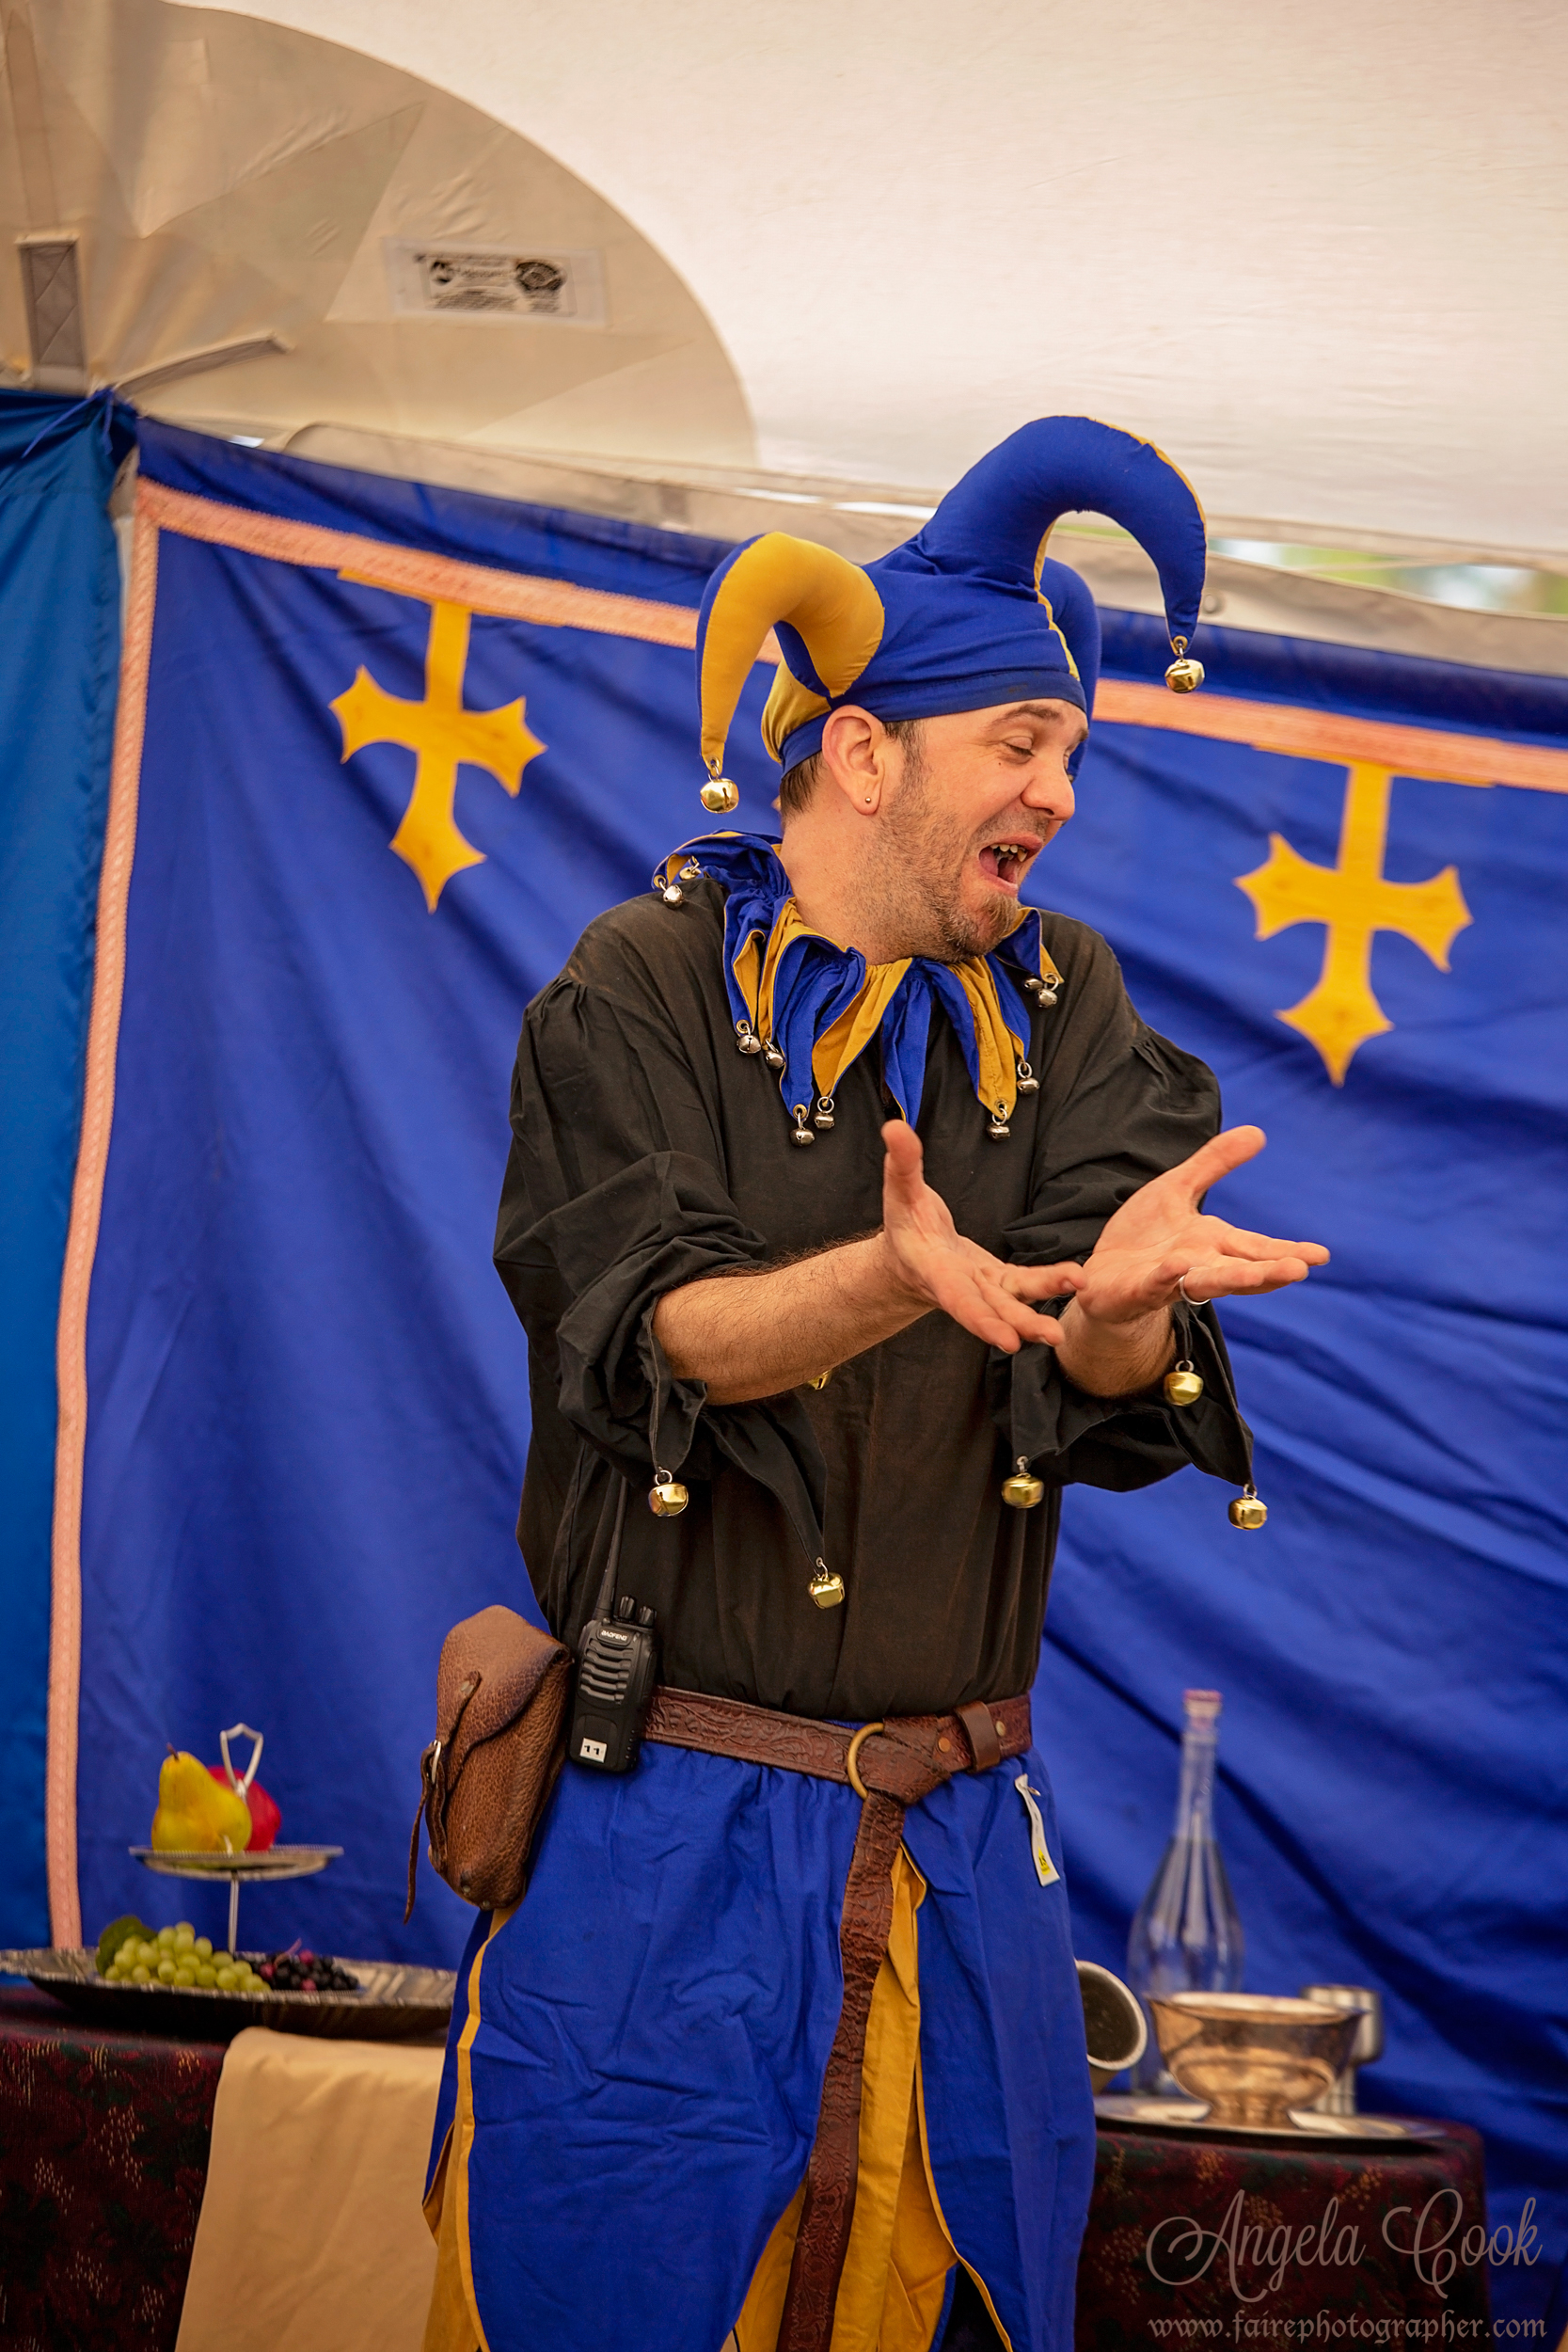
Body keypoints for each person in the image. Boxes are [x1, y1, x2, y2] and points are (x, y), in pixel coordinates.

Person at [420, 415, 1328, 2352]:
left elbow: (1100, 1360)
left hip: (958, 1876)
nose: (1060, 793)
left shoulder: (1066, 1010)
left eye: (1071, 752)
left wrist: (1120, 1310)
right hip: (658, 1870)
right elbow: (652, 1328)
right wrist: (888, 1275)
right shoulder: (635, 989)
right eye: (1022, 743)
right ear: (861, 751)